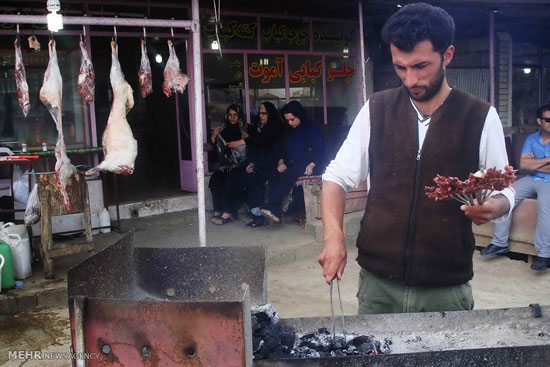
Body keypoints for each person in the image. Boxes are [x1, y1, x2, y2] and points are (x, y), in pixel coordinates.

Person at [318, 3, 514, 314]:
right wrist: (334, 237)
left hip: (446, 289)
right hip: (378, 286)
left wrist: (494, 207)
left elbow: (503, 190)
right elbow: (335, 178)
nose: (410, 80)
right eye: (401, 67)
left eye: (421, 66)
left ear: (447, 55)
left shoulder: (480, 116)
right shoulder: (377, 109)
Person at [482, 104, 550, 270]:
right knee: (504, 195)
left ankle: (544, 254)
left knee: (545, 208)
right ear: (540, 121)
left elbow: (531, 163)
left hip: (548, 182)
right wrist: (546, 160)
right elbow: (523, 164)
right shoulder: (532, 139)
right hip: (531, 178)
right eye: (548, 120)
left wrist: (535, 163)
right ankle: (499, 244)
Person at [255, 101, 327, 223]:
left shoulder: (311, 128)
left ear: (299, 115)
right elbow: (283, 149)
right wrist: (281, 161)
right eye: (287, 120)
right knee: (275, 173)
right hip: (292, 163)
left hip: (309, 164)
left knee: (288, 176)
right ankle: (275, 211)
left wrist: (312, 164)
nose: (290, 123)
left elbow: (320, 150)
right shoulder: (289, 130)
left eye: (292, 119)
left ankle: (270, 207)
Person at [238, 102, 285, 227]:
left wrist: (248, 138)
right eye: (259, 113)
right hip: (262, 163)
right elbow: (256, 147)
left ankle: (262, 215)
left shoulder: (277, 127)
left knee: (256, 181)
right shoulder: (260, 127)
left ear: (270, 114)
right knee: (246, 179)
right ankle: (257, 215)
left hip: (277, 163)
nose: (261, 116)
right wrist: (251, 162)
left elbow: (263, 141)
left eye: (264, 113)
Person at [208, 104, 247, 225]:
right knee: (215, 179)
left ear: (239, 116)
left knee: (231, 180)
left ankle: (228, 212)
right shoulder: (223, 131)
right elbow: (219, 152)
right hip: (227, 166)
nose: (232, 118)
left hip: (242, 165)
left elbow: (253, 145)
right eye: (230, 115)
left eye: (235, 115)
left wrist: (243, 141)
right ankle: (218, 209)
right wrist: (214, 138)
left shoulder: (245, 130)